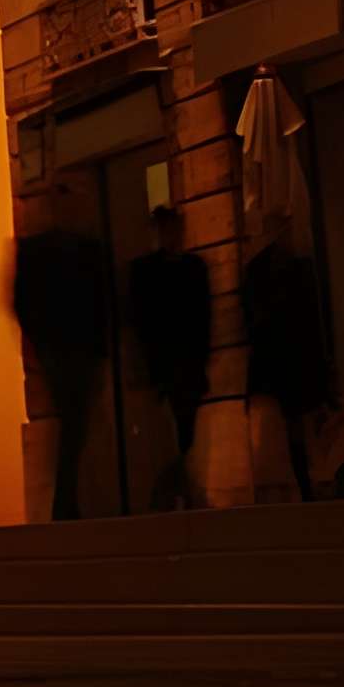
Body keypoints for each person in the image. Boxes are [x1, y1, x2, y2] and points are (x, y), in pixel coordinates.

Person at [12, 188, 113, 521]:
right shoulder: (85, 249)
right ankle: (70, 499)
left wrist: (38, 343)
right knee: (76, 422)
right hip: (73, 347)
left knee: (70, 423)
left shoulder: (33, 251)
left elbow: (20, 300)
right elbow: (103, 299)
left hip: (57, 348)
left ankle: (66, 499)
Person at [240, 210, 333, 500]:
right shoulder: (282, 270)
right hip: (289, 360)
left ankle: (306, 482)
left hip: (288, 360)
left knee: (294, 425)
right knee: (295, 425)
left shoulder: (278, 269)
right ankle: (307, 482)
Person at [125, 204, 212, 509]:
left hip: (181, 362)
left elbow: (202, 317)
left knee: (181, 430)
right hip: (166, 363)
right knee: (170, 432)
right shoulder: (151, 271)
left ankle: (173, 489)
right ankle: (175, 488)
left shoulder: (186, 268)